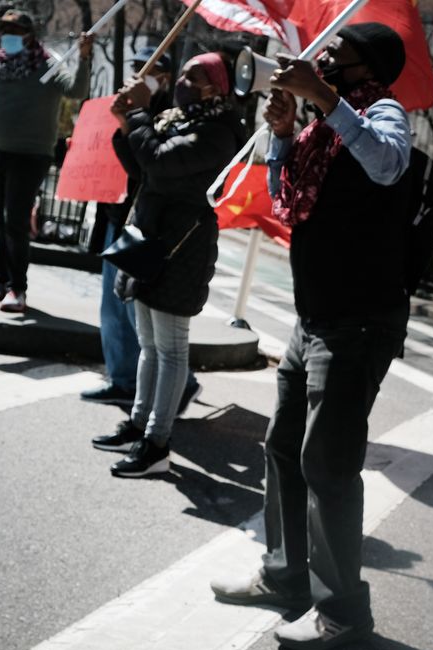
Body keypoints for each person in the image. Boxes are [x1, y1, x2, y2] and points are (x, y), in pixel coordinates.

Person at [209, 23, 412, 650]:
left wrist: (325, 101)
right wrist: (280, 133)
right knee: (282, 447)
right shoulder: (324, 127)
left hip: (357, 323)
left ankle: (344, 613)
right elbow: (286, 197)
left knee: (327, 462)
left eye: (336, 49)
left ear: (364, 62)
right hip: (314, 318)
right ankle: (284, 574)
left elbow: (386, 164)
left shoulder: (382, 112)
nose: (323, 54)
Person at [89, 54, 244, 476]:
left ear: (216, 86)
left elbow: (159, 160)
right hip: (148, 238)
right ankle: (138, 423)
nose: (183, 82)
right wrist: (126, 123)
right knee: (149, 344)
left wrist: (138, 114)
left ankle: (156, 443)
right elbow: (140, 166)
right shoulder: (176, 117)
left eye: (195, 77)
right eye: (185, 74)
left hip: (182, 248)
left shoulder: (220, 132)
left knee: (171, 349)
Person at [0, 9, 93, 313]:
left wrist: (85, 58)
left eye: (13, 30)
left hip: (31, 157)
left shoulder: (49, 67)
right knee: (0, 222)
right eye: (3, 30)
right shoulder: (1, 67)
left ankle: (17, 289)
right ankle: (1, 282)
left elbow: (77, 91)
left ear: (28, 35)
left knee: (16, 223)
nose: (6, 36)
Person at [80, 48, 201, 414]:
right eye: (136, 68)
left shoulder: (169, 117)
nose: (139, 74)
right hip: (118, 215)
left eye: (149, 70)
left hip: (144, 224)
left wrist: (137, 117)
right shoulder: (130, 109)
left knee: (141, 314)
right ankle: (122, 380)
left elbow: (150, 164)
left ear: (164, 78)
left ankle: (182, 384)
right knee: (113, 307)